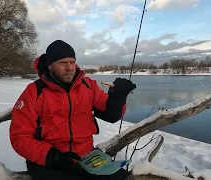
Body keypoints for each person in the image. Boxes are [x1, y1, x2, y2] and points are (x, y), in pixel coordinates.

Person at [9, 40, 136, 180]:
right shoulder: (34, 91)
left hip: (85, 157)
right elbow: (19, 138)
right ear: (50, 66)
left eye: (72, 62)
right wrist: (55, 157)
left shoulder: (88, 86)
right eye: (62, 63)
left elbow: (112, 115)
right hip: (49, 160)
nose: (69, 67)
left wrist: (118, 96)